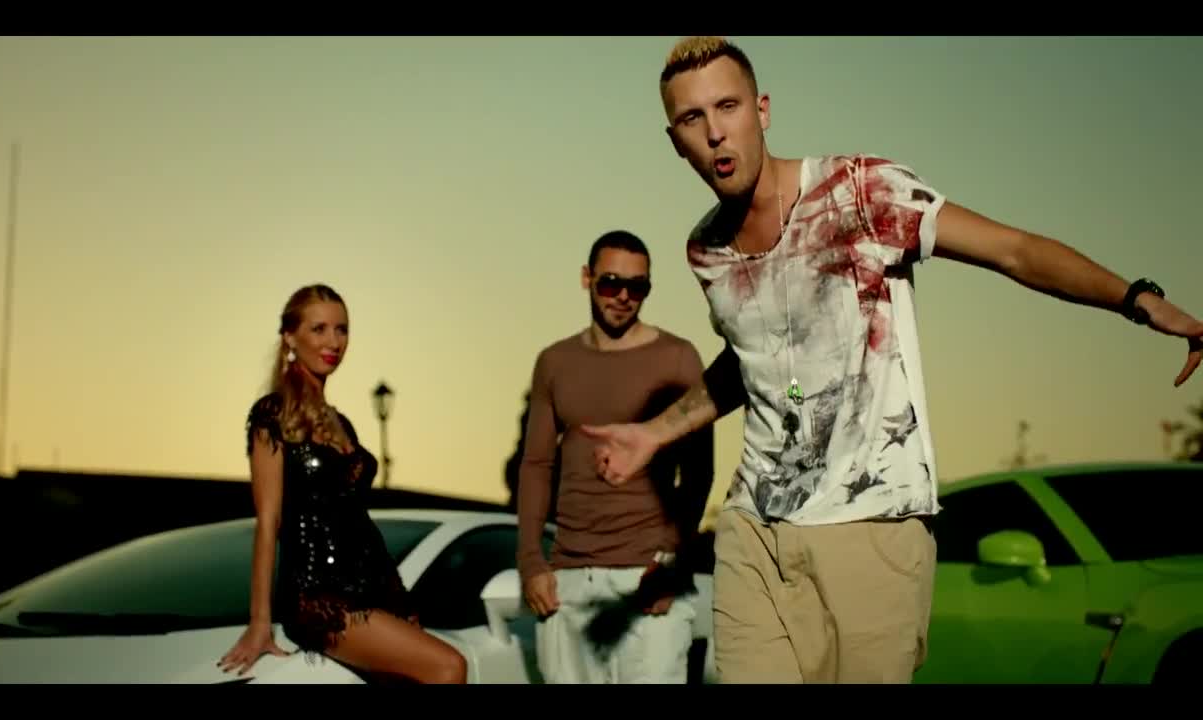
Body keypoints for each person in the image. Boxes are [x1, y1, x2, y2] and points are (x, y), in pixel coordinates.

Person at [580, 36, 1203, 685]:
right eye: (692, 118)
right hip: (756, 531)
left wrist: (1136, 299)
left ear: (761, 110)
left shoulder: (861, 192)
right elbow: (753, 359)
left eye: (727, 107)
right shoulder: (706, 250)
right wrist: (654, 434)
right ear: (675, 140)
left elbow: (1013, 250)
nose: (714, 132)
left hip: (870, 525)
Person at [217, 283, 468, 684]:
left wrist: (399, 600)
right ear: (290, 337)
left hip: (375, 591)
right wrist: (260, 622)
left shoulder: (341, 422)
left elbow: (357, 521)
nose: (333, 342)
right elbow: (268, 521)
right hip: (319, 599)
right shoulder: (272, 414)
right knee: (449, 667)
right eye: (319, 329)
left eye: (342, 329)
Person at [516, 230, 715, 684]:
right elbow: (536, 466)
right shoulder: (554, 362)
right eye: (610, 283)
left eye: (637, 287)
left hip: (647, 579)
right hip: (569, 581)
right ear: (586, 278)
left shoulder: (678, 358)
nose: (623, 296)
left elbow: (699, 472)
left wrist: (670, 561)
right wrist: (531, 562)